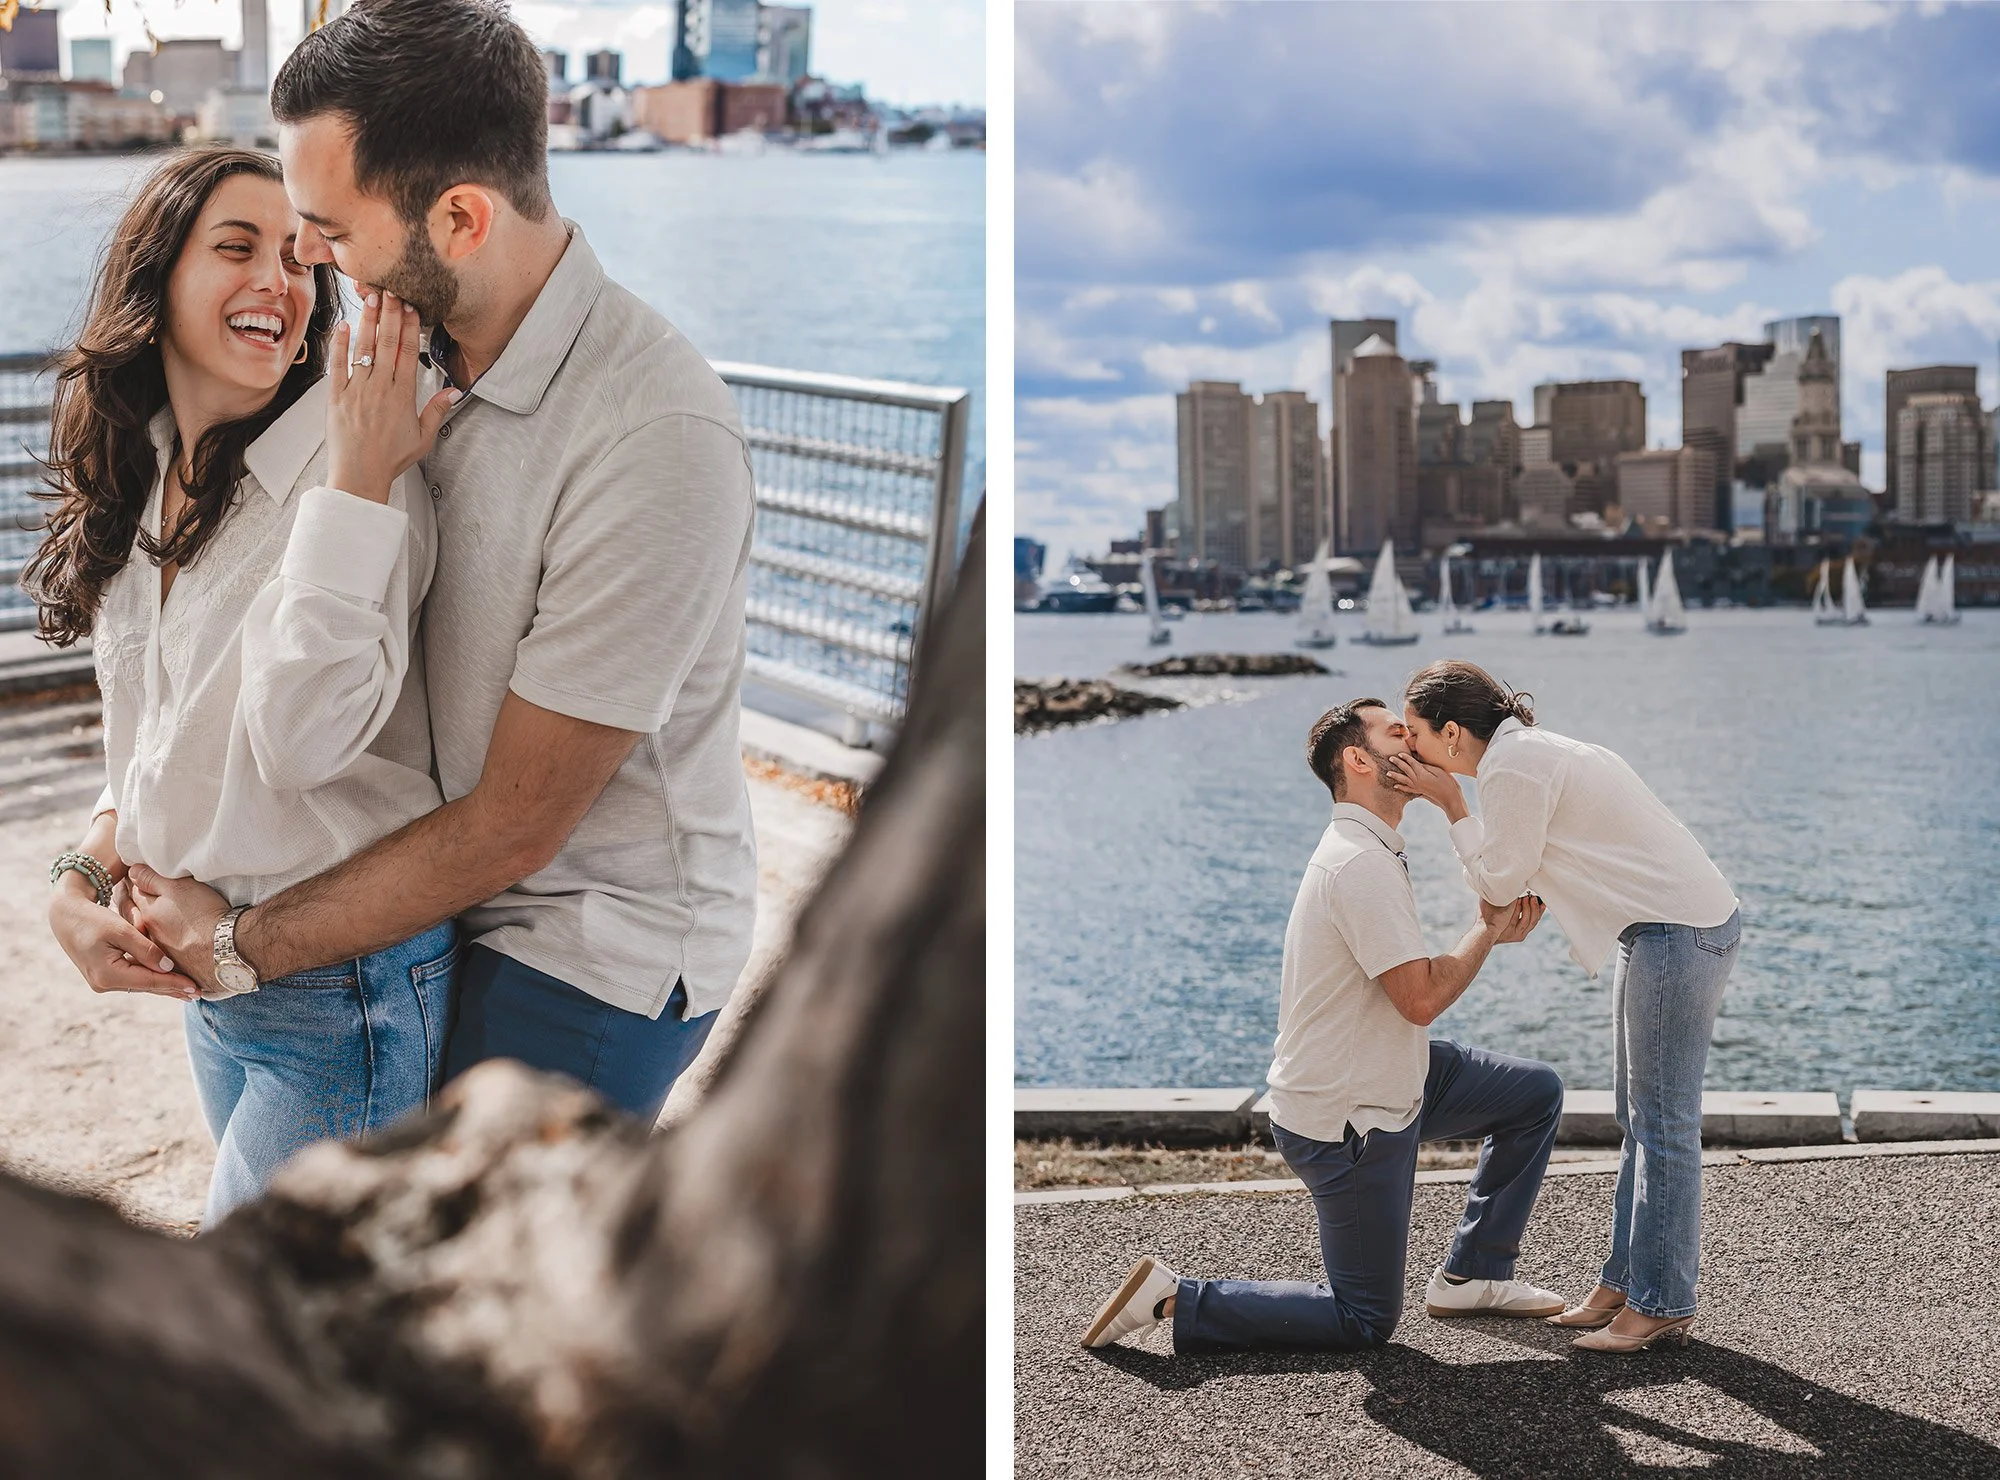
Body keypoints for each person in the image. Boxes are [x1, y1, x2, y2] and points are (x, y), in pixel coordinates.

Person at [121, 0, 760, 1126]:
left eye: (329, 225)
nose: (308, 257)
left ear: (459, 217)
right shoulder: (387, 345)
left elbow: (519, 821)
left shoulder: (653, 437)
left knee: (471, 1277)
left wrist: (239, 946)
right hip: (426, 892)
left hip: (585, 935)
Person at [28, 147, 460, 1224]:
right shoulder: (152, 466)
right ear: (157, 278)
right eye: (237, 248)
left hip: (340, 992)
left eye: (300, 259)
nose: (281, 280)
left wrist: (359, 488)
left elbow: (301, 742)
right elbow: (160, 740)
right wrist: (75, 881)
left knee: (255, 1343)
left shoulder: (354, 467)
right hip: (217, 990)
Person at [1082, 698, 1566, 1354]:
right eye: (1400, 733)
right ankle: (1173, 1300)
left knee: (1534, 1096)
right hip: (1348, 1118)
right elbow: (1419, 1000)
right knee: (1363, 1320)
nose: (1418, 741)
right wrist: (1487, 929)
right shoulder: (1357, 864)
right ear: (1359, 760)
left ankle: (1473, 1274)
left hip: (1397, 1073)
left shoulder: (1371, 847)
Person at [1387, 660, 1741, 1355]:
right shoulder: (1528, 751)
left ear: (1452, 733)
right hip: (1663, 929)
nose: (1409, 754)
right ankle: (1624, 1283)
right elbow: (1531, 870)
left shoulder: (1510, 770)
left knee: (1664, 1124)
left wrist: (1451, 805)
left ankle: (1664, 1303)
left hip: (1679, 933)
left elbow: (1496, 885)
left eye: (1417, 738)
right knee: (1638, 1118)